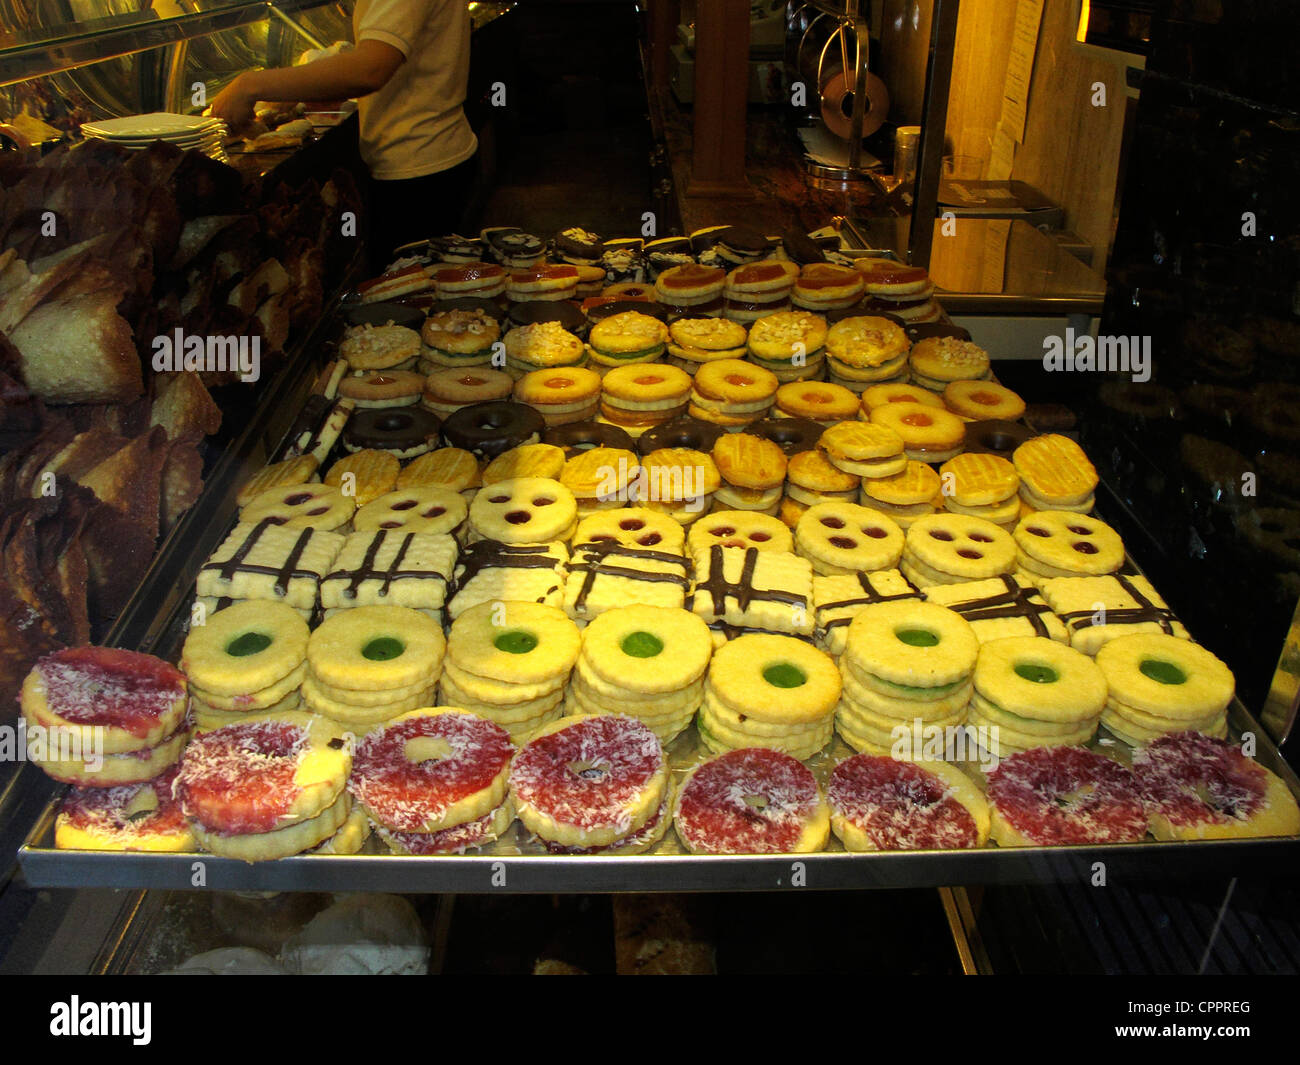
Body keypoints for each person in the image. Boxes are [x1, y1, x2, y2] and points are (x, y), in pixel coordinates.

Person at [212, 0, 477, 271]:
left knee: (405, 298)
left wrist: (250, 85)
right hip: (435, 150)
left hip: (418, 169)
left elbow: (369, 70)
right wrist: (293, 88)